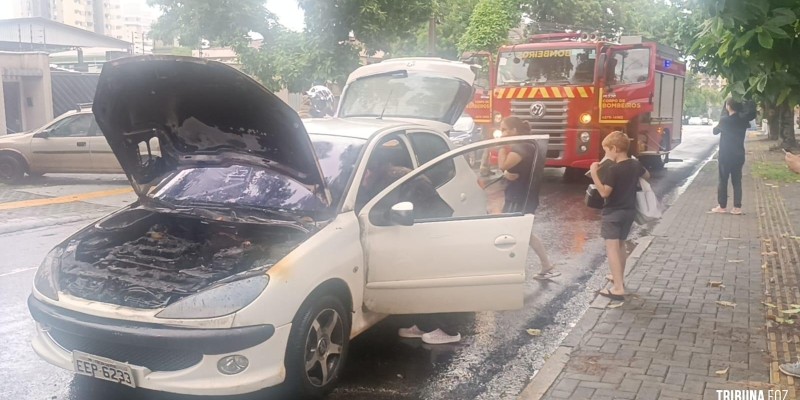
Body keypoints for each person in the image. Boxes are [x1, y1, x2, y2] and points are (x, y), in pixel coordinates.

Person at [496, 116, 560, 280]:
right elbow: (508, 170)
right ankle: (546, 265)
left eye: (504, 129)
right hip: (522, 196)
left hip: (519, 197)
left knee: (508, 232)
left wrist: (502, 148)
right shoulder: (527, 145)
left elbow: (503, 165)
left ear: (514, 131)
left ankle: (510, 268)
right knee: (524, 233)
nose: (502, 133)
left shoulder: (522, 147)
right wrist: (506, 173)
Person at [589, 131, 649, 300]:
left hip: (613, 212)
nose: (605, 154)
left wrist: (594, 174)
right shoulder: (634, 165)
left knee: (612, 249)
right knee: (621, 245)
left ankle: (618, 287)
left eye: (606, 151)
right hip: (629, 211)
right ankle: (619, 278)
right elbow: (647, 175)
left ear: (614, 149)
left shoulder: (613, 169)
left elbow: (604, 193)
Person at [710, 98, 750, 215]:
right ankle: (737, 207)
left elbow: (715, 131)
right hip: (739, 154)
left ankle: (722, 207)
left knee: (723, 180)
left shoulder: (724, 120)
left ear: (728, 106)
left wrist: (723, 116)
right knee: (737, 181)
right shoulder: (743, 121)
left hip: (725, 155)